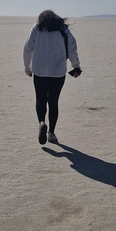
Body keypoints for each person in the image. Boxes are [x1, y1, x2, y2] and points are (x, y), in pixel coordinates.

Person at [23, 10, 81, 145]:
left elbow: (27, 48)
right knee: (53, 101)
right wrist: (76, 66)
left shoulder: (37, 28)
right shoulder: (63, 29)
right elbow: (72, 47)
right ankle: (51, 133)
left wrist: (27, 68)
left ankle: (42, 122)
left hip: (39, 71)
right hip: (58, 72)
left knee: (40, 99)